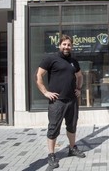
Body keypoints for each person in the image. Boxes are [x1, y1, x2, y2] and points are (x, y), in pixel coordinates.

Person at [36, 35, 86, 169]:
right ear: (59, 45)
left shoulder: (73, 61)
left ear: (71, 46)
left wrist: (79, 88)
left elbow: (80, 75)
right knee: (53, 128)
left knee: (72, 126)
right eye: (64, 44)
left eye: (69, 45)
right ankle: (51, 155)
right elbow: (39, 76)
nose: (66, 47)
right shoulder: (51, 59)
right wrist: (46, 92)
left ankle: (72, 148)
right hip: (57, 101)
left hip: (72, 101)